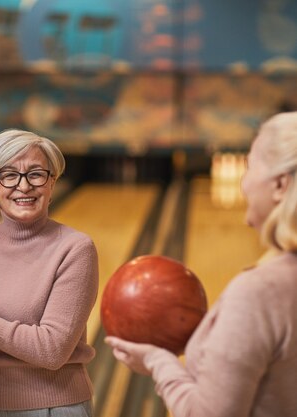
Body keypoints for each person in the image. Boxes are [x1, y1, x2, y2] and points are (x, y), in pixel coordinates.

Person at [105, 112, 297, 417]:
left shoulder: (258, 293)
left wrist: (158, 362)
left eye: (249, 165)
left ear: (280, 185)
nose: (244, 182)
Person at [0, 129, 99, 417]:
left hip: (54, 407)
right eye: (8, 175)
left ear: (52, 183)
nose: (23, 186)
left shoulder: (75, 249)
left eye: (36, 174)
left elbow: (52, 351)